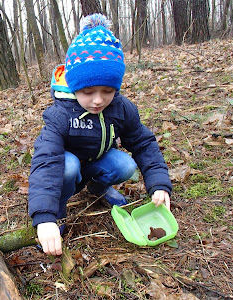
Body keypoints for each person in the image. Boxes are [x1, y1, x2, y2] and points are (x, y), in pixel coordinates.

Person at [28, 14, 172, 256]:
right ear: (74, 87)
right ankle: (59, 210)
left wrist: (158, 184)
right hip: (69, 166)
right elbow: (46, 160)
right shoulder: (61, 114)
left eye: (107, 91)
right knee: (68, 166)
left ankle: (98, 188)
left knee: (126, 165)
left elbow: (142, 143)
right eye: (88, 91)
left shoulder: (120, 107)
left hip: (97, 160)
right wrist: (45, 217)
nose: (98, 100)